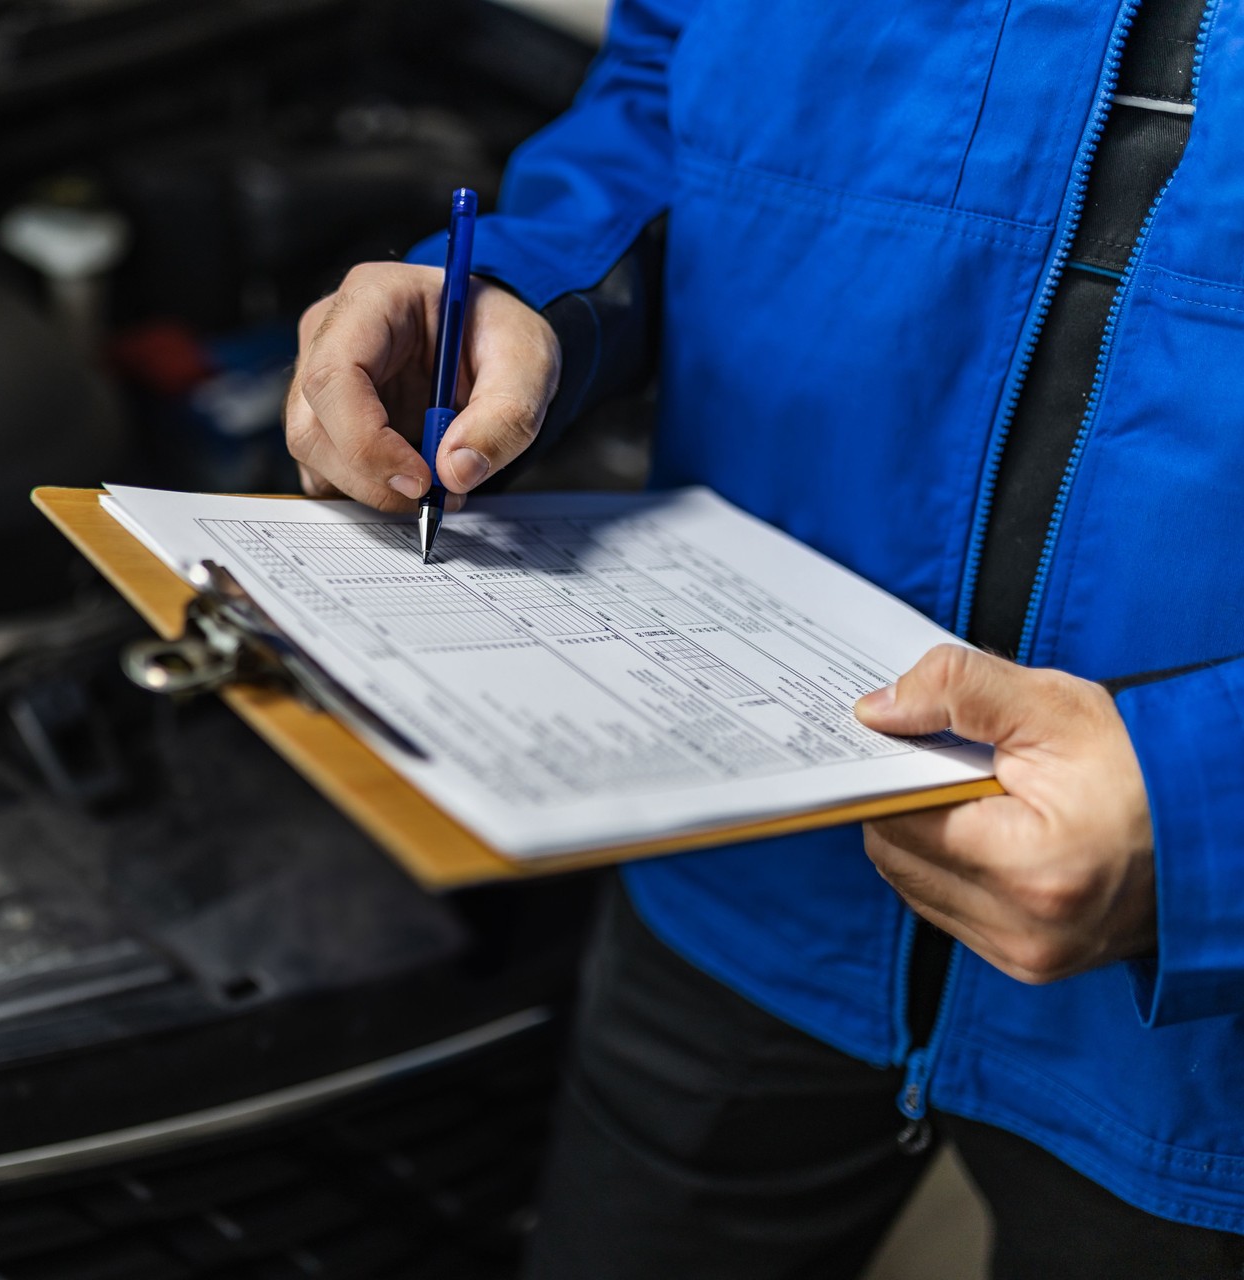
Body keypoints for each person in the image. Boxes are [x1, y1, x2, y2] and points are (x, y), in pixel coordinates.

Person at [286, 0, 1244, 1275]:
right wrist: (538, 285)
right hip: (745, 866)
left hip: (1201, 1063)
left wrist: (1205, 814)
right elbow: (673, 70)